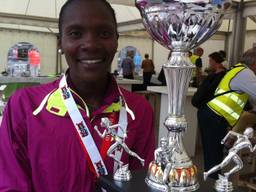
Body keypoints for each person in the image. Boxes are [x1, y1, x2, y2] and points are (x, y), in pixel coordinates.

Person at [0, 0, 156, 191]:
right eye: (75, 34)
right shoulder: (25, 106)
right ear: (61, 42)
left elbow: (143, 184)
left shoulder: (138, 110)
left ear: (116, 40)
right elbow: (11, 185)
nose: (90, 44)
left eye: (104, 33)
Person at [197, 47, 256, 179]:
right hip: (214, 116)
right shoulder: (246, 73)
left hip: (212, 114)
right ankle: (214, 182)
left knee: (214, 153)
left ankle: (214, 178)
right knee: (214, 154)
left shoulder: (238, 69)